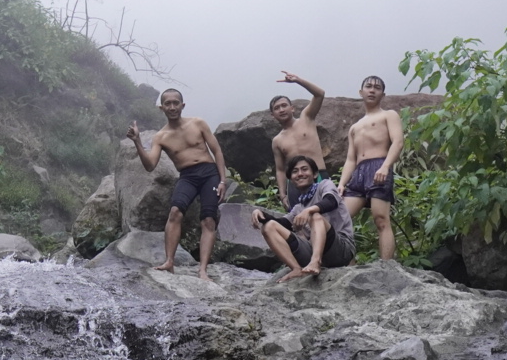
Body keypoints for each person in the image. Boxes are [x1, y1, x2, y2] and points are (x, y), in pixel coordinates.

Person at [127, 88, 231, 279]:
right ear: (162, 108)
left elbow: (217, 151)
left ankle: (203, 270)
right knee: (175, 212)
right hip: (187, 176)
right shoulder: (161, 137)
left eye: (176, 103)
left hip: (209, 173)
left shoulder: (198, 123)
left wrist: (223, 180)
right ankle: (169, 262)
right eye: (168, 103)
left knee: (208, 219)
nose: (172, 107)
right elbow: (150, 165)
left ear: (182, 105)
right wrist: (137, 142)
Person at [249, 155, 354, 280]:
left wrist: (309, 210)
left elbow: (331, 201)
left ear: (314, 174)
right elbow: (282, 223)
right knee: (269, 227)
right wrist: (261, 215)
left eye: (304, 169)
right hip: (313, 250)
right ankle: (296, 269)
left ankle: (316, 261)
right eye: (295, 171)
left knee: (315, 216)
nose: (300, 174)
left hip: (341, 249)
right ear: (291, 180)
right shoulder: (299, 207)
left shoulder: (325, 185)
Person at [337, 75, 404, 260]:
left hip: (379, 165)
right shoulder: (355, 127)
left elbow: (397, 142)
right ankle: (347, 265)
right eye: (368, 86)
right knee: (340, 219)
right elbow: (350, 159)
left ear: (383, 93)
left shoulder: (388, 115)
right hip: (358, 173)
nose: (372, 90)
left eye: (377, 87)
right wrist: (342, 183)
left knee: (381, 219)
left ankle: (386, 266)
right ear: (361, 92)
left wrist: (385, 166)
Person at [267, 72, 326, 208]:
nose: (281, 110)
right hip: (295, 182)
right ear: (272, 115)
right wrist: (282, 195)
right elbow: (280, 169)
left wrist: (298, 80)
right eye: (277, 108)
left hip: (318, 176)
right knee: (299, 224)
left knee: (327, 217)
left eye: (284, 105)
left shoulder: (307, 118)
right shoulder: (277, 140)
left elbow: (320, 94)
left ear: (292, 108)